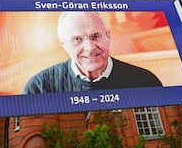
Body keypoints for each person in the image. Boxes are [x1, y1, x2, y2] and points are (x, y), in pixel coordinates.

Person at [22, 11, 162, 94]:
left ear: (108, 36)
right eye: (77, 39)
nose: (89, 47)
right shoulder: (39, 87)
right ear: (64, 44)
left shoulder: (145, 81)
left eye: (95, 36)